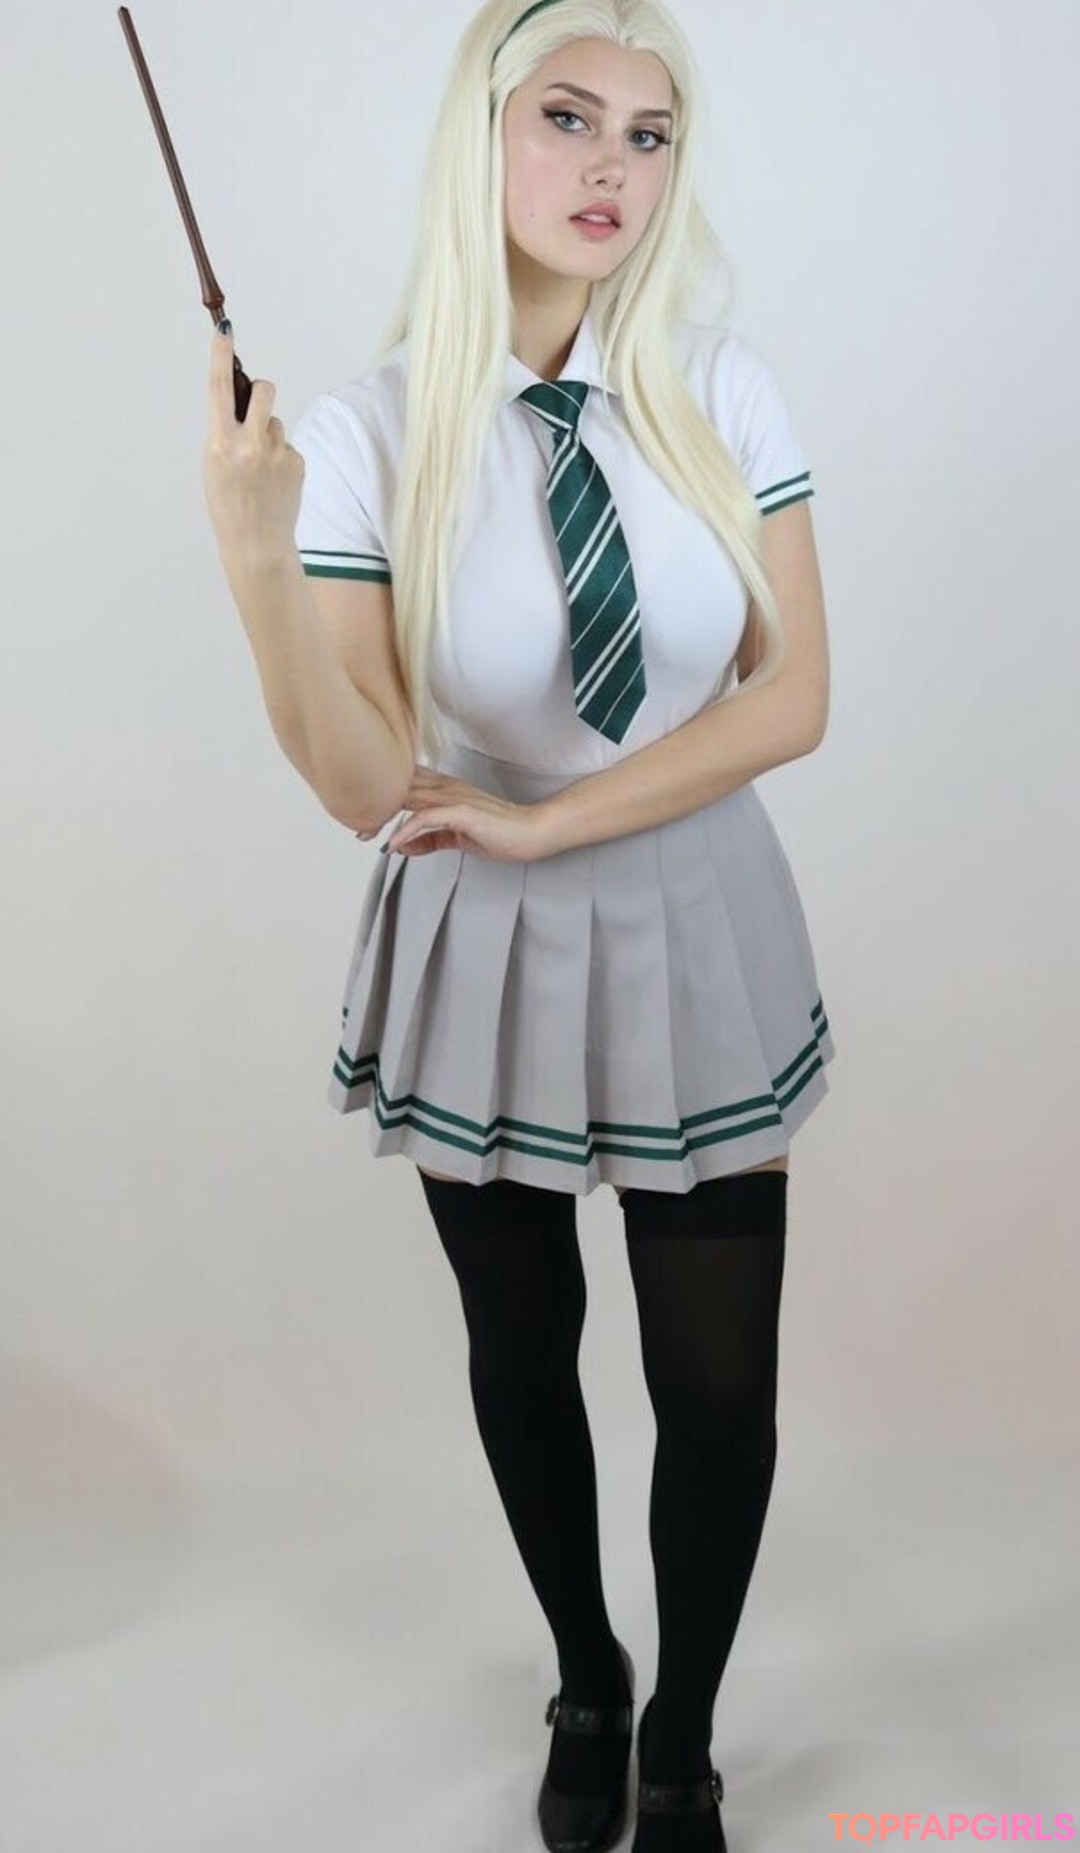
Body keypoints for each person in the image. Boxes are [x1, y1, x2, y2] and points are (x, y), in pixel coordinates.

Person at [202, 2, 836, 1847]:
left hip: (694, 913)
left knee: (719, 1384)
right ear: (478, 137)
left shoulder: (723, 390)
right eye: (567, 117)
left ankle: (685, 1733)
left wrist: (554, 819)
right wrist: (256, 559)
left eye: (648, 133)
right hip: (477, 941)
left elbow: (793, 701)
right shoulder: (369, 431)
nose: (610, 167)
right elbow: (362, 776)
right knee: (523, 1343)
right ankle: (587, 1671)